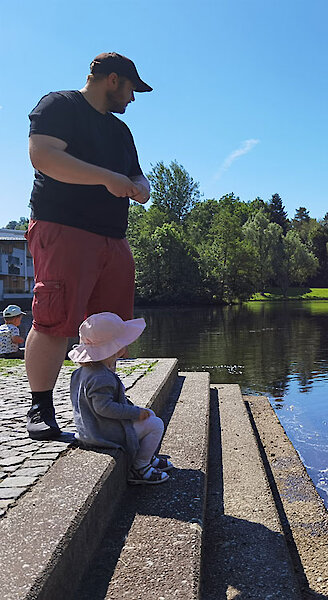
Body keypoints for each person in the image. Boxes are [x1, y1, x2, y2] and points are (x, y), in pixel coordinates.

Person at [25, 52, 152, 440]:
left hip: (113, 238)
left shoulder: (120, 132)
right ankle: (40, 407)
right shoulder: (59, 105)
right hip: (63, 228)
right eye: (132, 88)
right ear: (113, 79)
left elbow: (137, 176)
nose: (133, 98)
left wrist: (141, 187)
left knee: (109, 328)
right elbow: (43, 156)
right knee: (54, 320)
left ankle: (103, 402)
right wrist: (106, 178)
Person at [69, 312, 172, 485]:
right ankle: (140, 466)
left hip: (89, 429)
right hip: (103, 434)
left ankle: (147, 455)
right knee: (156, 424)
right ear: (116, 349)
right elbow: (104, 408)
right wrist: (134, 413)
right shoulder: (102, 377)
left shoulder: (81, 373)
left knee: (150, 414)